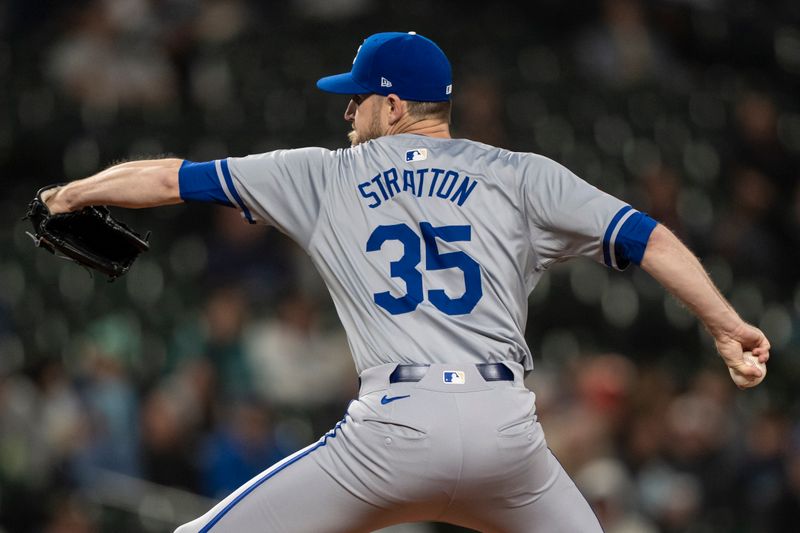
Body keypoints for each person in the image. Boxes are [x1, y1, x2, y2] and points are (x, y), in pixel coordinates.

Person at [42, 31, 770, 533]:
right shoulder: (523, 175)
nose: (347, 112)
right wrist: (726, 324)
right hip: (505, 433)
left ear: (392, 107)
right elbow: (650, 237)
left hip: (392, 431)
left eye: (356, 100)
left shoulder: (324, 172)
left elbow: (171, 177)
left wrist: (69, 195)